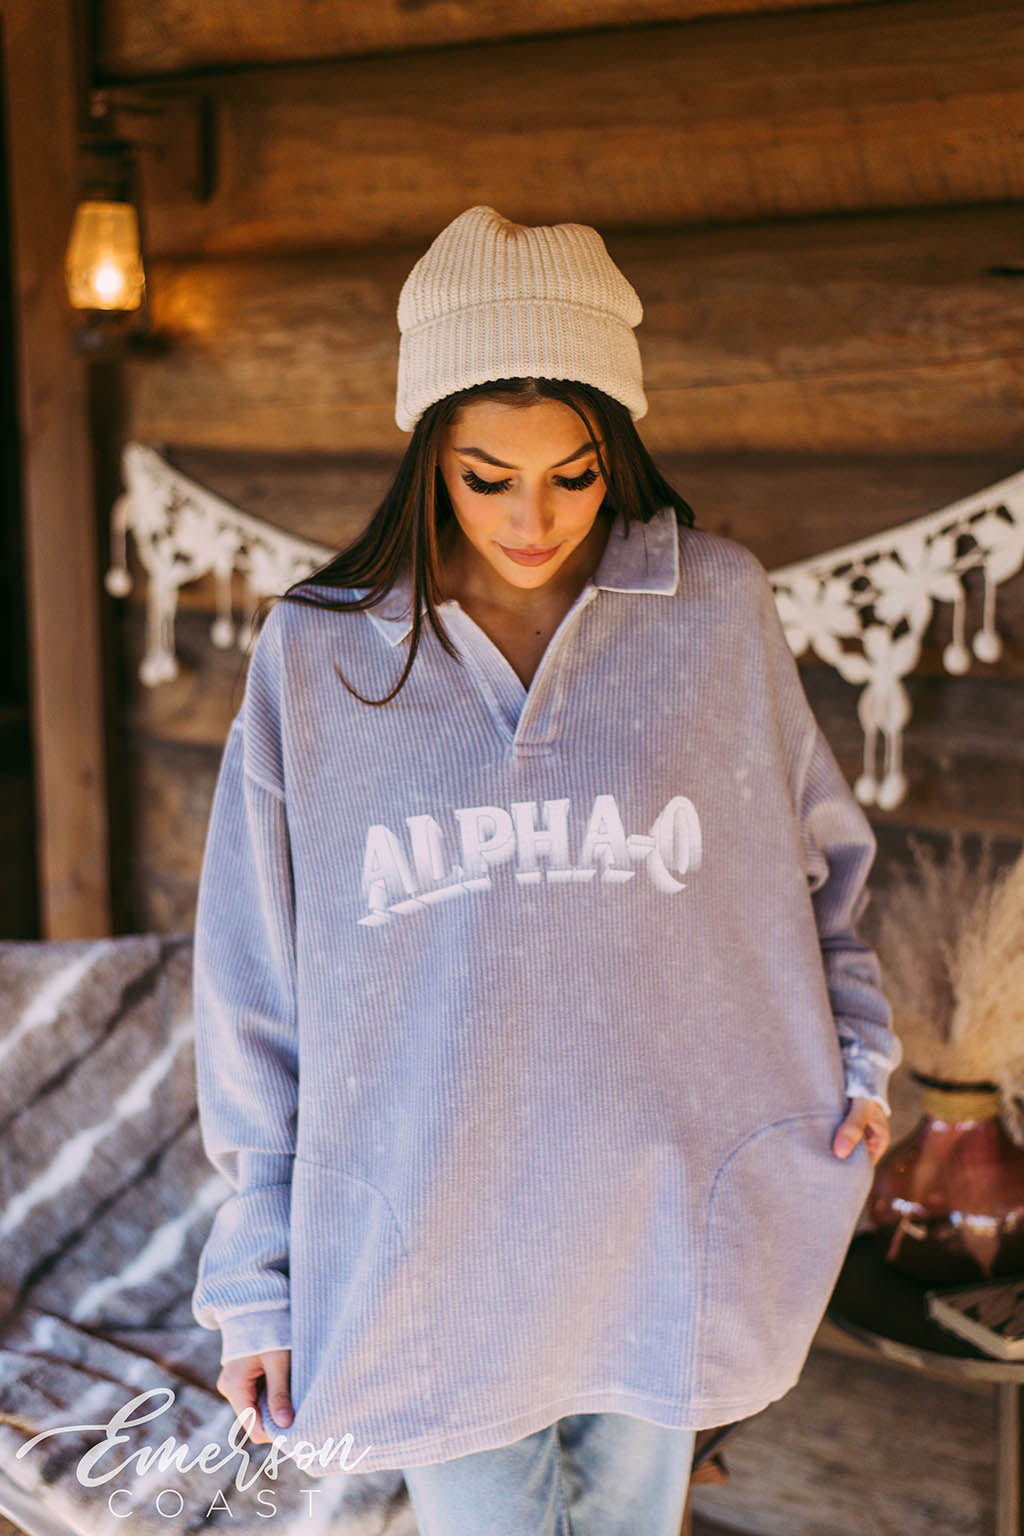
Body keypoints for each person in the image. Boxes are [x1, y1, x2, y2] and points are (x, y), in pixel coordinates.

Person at [190, 205, 902, 1535]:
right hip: (424, 1242)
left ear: (616, 447)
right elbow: (253, 989)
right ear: (427, 455)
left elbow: (813, 873)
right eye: (487, 477)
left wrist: (858, 1053)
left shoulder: (712, 607)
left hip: (663, 1207)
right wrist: (255, 1278)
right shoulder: (319, 654)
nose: (534, 519)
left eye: (572, 475)